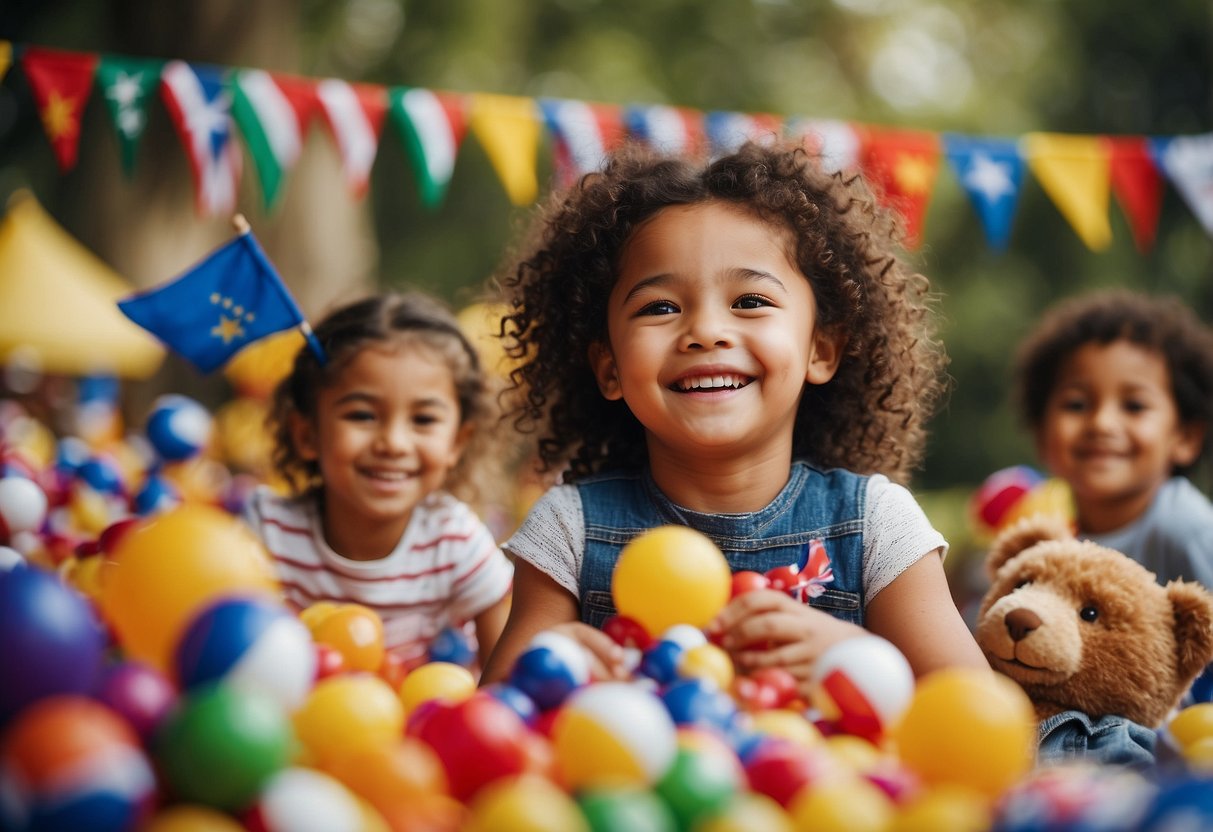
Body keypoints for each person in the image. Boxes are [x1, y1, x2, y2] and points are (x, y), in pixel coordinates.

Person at [480, 140, 987, 691]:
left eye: (750, 301)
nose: (706, 331)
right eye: (660, 307)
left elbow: (981, 717)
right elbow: (493, 720)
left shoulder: (876, 526)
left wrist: (853, 655)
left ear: (821, 350)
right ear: (609, 369)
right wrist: (552, 665)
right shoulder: (569, 530)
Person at [244, 292, 514, 672]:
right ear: (306, 434)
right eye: (362, 415)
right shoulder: (268, 533)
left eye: (423, 420)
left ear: (457, 442)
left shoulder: (455, 542)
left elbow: (506, 683)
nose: (393, 443)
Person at [1013, 289, 1213, 589]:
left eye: (1134, 406)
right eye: (1076, 405)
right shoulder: (1046, 537)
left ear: (1185, 437)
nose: (1102, 423)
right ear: (1041, 432)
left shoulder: (1186, 531)